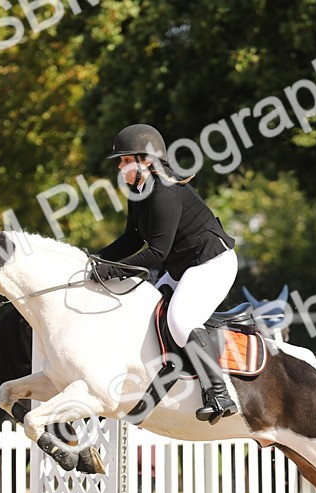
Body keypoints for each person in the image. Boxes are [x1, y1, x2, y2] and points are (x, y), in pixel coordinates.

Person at [94, 123, 239, 424]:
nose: (120, 167)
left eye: (125, 160)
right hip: (182, 266)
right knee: (145, 316)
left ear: (146, 160)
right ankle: (152, 393)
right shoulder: (139, 190)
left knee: (180, 320)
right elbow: (132, 239)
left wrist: (111, 270)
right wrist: (94, 259)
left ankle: (219, 394)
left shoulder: (165, 192)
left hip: (211, 263)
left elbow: (157, 252)